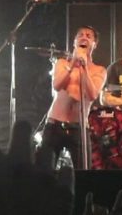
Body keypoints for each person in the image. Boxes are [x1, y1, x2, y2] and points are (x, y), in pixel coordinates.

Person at [36, 26, 107, 170]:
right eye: (80, 35)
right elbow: (57, 85)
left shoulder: (99, 70)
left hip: (78, 127)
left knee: (83, 172)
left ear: (94, 44)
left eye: (89, 36)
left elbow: (93, 94)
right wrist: (73, 64)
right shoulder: (62, 63)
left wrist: (84, 67)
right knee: (45, 171)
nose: (84, 37)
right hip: (55, 123)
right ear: (74, 42)